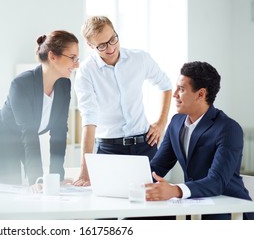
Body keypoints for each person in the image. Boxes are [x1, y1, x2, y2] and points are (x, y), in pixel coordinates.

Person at [0, 30, 79, 187]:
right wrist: (37, 181)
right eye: (72, 58)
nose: (77, 64)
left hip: (15, 143)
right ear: (52, 57)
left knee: (16, 197)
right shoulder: (22, 84)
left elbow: (59, 132)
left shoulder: (64, 85)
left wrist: (56, 179)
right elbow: (29, 134)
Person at [146, 61, 254, 220]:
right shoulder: (176, 122)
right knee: (134, 221)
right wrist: (127, 183)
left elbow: (216, 182)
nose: (175, 94)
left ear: (201, 94)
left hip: (227, 209)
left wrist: (175, 190)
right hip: (193, 205)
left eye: (181, 89)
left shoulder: (228, 129)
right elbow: (157, 167)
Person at [73, 16, 172, 186]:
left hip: (145, 146)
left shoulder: (139, 59)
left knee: (151, 207)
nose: (111, 48)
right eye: (102, 45)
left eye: (113, 39)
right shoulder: (86, 72)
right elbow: (89, 119)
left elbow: (166, 86)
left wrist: (161, 123)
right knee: (105, 207)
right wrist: (84, 170)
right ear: (90, 46)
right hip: (109, 149)